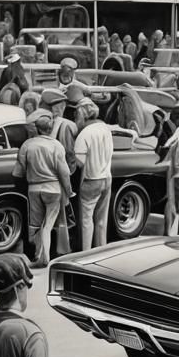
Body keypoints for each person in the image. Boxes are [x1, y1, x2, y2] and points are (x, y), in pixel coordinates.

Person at [12, 114, 72, 269]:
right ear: (50, 128)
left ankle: (40, 256)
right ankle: (44, 258)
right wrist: (69, 191)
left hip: (34, 188)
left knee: (37, 225)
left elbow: (18, 172)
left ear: (37, 129)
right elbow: (64, 172)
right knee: (48, 225)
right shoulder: (57, 145)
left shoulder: (27, 145)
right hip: (53, 189)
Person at [72, 101, 114, 251]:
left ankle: (86, 253)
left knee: (86, 220)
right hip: (107, 178)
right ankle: (101, 251)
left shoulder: (85, 134)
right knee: (101, 220)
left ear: (82, 115)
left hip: (91, 180)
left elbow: (79, 163)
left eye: (76, 115)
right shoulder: (105, 129)